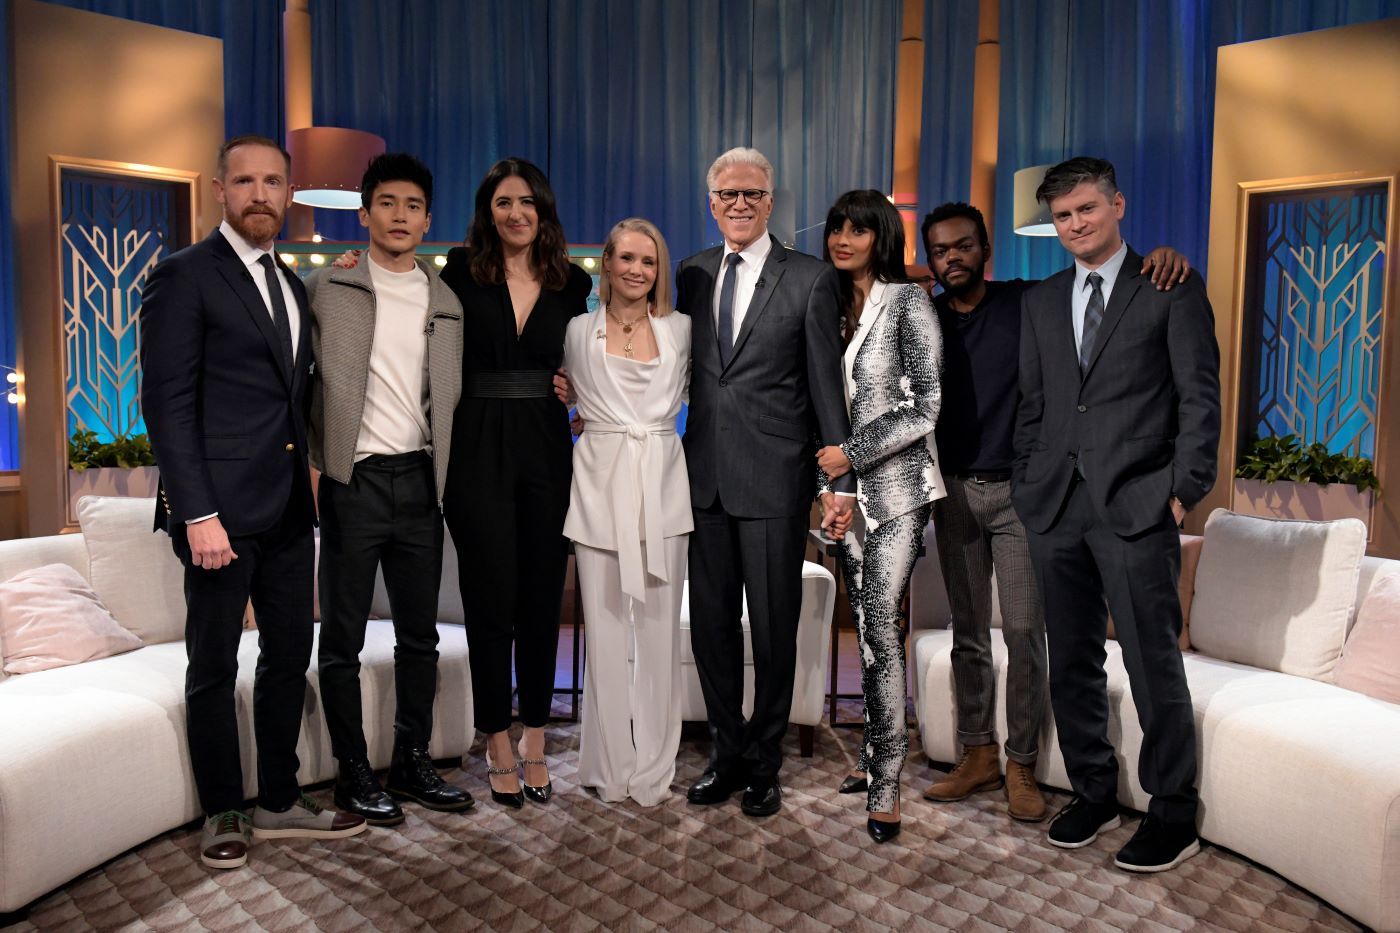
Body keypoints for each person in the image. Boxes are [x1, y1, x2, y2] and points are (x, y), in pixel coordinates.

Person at [920, 202, 1190, 824]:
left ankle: (1020, 763)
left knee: (1023, 631)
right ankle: (976, 754)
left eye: (964, 246)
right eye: (940, 250)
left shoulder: (1028, 302)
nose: (953, 258)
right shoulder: (923, 317)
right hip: (951, 492)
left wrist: (1160, 257)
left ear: (986, 249)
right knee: (968, 632)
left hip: (1021, 495)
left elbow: (1102, 281)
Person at [140, 135, 366, 870]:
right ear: (220, 190)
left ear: (289, 192)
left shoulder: (292, 284)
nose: (260, 194)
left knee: (287, 655)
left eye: (273, 181)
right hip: (218, 515)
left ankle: (278, 796)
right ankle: (223, 809)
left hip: (289, 511)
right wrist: (197, 513)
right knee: (212, 663)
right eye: (245, 181)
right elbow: (167, 404)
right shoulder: (184, 275)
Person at [1013, 157, 1220, 872]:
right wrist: (1028, 484)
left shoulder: (1168, 286)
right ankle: (1093, 790)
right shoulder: (1041, 301)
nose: (1075, 224)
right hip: (1054, 506)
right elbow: (1035, 404)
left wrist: (1183, 489)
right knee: (1070, 658)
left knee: (1151, 660)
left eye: (1087, 210)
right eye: (1063, 216)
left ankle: (1173, 812)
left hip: (1137, 504)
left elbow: (1199, 398)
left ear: (1118, 205)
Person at [677, 147, 855, 818]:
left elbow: (825, 385)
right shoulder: (691, 272)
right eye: (728, 194)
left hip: (776, 481)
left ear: (771, 202)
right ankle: (725, 752)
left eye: (752, 193)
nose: (740, 203)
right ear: (712, 203)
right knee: (712, 627)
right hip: (703, 480)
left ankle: (764, 760)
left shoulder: (810, 278)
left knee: (775, 630)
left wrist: (838, 481)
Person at [306, 153, 472, 826]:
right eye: (387, 203)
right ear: (365, 213)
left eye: (413, 206)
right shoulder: (326, 287)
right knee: (342, 637)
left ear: (428, 219)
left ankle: (411, 759)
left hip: (420, 481)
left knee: (419, 636)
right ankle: (351, 770)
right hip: (354, 481)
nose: (400, 216)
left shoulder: (446, 301)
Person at [440, 157, 592, 808]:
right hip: (474, 444)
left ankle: (535, 734)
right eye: (503, 202)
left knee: (539, 600)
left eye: (527, 202)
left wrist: (579, 390)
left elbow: (585, 359)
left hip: (545, 448)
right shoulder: (458, 272)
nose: (516, 213)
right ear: (488, 211)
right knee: (488, 601)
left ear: (543, 209)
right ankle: (495, 738)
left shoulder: (572, 282)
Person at [814, 190, 943, 843]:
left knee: (881, 629)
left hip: (899, 490)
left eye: (858, 230)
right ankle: (873, 755)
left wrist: (853, 454)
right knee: (865, 628)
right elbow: (821, 407)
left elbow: (925, 405)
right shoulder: (830, 306)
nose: (843, 239)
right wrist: (830, 486)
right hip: (844, 496)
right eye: (837, 228)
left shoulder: (909, 302)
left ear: (881, 236)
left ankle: (888, 783)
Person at [563, 218, 691, 806]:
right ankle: (611, 765)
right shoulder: (576, 330)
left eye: (649, 260)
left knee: (661, 637)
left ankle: (655, 767)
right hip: (598, 491)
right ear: (607, 264)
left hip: (663, 490)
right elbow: (565, 392)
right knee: (606, 635)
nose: (637, 270)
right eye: (627, 259)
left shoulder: (682, 330)